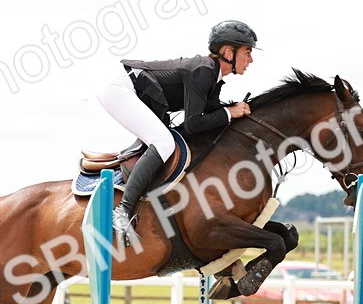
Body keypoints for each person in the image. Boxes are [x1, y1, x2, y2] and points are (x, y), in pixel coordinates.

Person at [98, 19, 258, 244]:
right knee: (163, 142)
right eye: (247, 52)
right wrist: (230, 113)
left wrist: (233, 111)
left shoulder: (213, 76)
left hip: (132, 90)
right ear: (229, 53)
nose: (251, 59)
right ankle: (122, 211)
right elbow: (193, 123)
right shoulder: (203, 70)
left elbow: (212, 114)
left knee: (165, 139)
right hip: (120, 89)